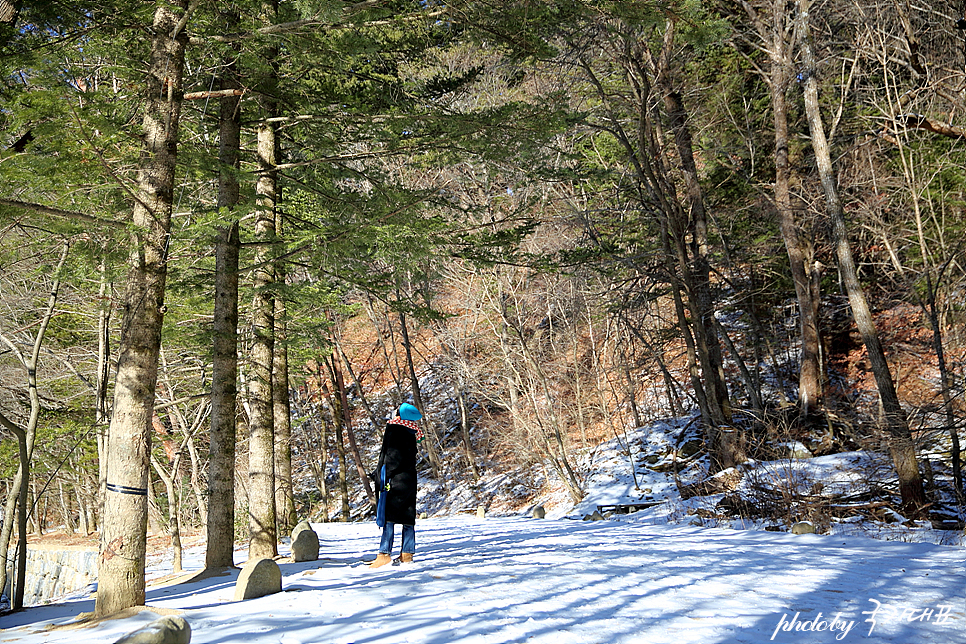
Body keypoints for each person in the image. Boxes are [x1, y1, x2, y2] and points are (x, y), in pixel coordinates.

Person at [370, 403, 423, 568]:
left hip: (395, 481)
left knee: (389, 517)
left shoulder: (394, 429)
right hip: (409, 480)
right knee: (407, 518)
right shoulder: (411, 431)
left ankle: (384, 554)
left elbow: (391, 456)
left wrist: (383, 475)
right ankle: (407, 554)